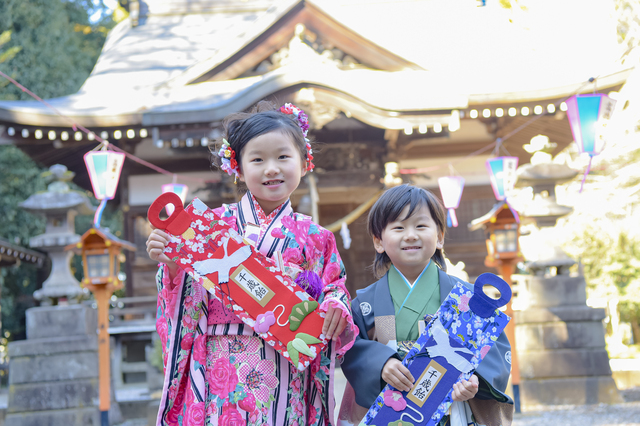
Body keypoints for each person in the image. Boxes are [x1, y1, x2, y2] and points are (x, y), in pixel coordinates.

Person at [146, 101, 357, 426]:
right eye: (258, 159)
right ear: (240, 169)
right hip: (223, 362)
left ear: (304, 163)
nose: (271, 168)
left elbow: (334, 286)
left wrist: (334, 304)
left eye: (283, 157)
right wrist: (171, 263)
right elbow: (184, 289)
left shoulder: (317, 237)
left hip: (286, 360)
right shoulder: (212, 226)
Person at [338, 184, 513, 426]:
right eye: (398, 227)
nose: (410, 235)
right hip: (391, 411)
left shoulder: (463, 298)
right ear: (379, 241)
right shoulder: (367, 303)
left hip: (451, 410)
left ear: (439, 237)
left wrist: (473, 382)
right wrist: (381, 362)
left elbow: (493, 350)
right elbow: (348, 345)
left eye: (420, 226)